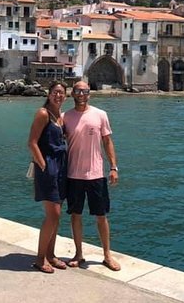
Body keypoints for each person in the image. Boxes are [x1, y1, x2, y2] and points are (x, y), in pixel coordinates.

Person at [63, 80, 121, 271]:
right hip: (73, 174)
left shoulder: (100, 115)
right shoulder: (65, 117)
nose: (81, 94)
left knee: (101, 216)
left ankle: (107, 255)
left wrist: (113, 167)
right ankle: (78, 254)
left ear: (90, 94)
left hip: (96, 174)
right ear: (72, 94)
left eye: (85, 91)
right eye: (78, 91)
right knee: (75, 215)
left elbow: (107, 141)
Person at [27, 80, 69, 274]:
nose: (58, 95)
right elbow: (32, 142)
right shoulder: (43, 114)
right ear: (48, 94)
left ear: (65, 96)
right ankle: (40, 258)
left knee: (57, 215)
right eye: (55, 92)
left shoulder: (59, 116)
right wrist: (43, 165)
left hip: (61, 166)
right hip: (49, 167)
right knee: (53, 214)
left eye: (61, 93)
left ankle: (51, 255)